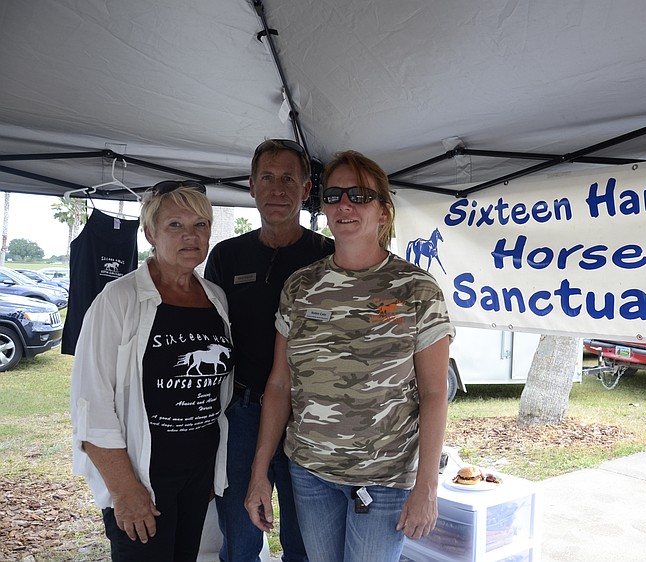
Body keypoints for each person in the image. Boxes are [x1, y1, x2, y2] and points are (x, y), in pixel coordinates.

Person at [245, 150, 455, 561]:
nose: (344, 204)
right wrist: (258, 474)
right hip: (310, 473)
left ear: (383, 210)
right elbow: (279, 383)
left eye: (359, 195)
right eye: (335, 194)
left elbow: (434, 392)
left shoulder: (416, 289)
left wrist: (426, 487)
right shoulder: (300, 286)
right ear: (322, 206)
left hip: (385, 477)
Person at [70, 181, 234, 561]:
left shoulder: (216, 298)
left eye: (201, 225)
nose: (190, 236)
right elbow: (90, 404)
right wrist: (126, 491)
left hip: (196, 473)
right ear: (150, 233)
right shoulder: (118, 300)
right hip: (142, 475)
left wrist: (209, 471)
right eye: (175, 225)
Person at [205, 139, 334, 561]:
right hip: (242, 413)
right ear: (251, 186)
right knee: (239, 541)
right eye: (267, 178)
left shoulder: (329, 255)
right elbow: (208, 336)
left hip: (308, 417)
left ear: (305, 188)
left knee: (306, 541)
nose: (277, 189)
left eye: (288, 179)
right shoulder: (226, 255)